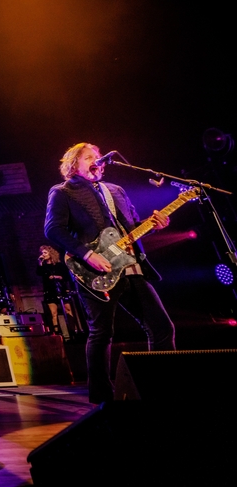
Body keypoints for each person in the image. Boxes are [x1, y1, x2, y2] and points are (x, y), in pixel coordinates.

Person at [44, 142, 174, 404]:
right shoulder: (64, 191)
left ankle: (160, 389)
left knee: (161, 327)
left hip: (131, 267)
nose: (97, 160)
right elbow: (53, 230)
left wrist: (155, 225)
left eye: (98, 157)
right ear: (74, 164)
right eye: (89, 157)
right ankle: (102, 396)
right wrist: (88, 254)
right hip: (93, 270)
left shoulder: (116, 190)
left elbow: (132, 226)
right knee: (102, 333)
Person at [37, 244, 78, 335]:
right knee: (53, 313)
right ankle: (56, 332)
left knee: (68, 310)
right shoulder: (43, 266)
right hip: (50, 290)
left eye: (45, 252)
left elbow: (67, 276)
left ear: (50, 253)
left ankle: (73, 331)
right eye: (42, 253)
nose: (43, 254)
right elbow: (39, 273)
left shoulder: (59, 265)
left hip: (61, 288)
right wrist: (40, 263)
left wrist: (58, 277)